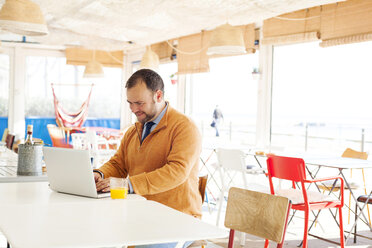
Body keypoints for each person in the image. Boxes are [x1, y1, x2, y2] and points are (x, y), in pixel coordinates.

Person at [93, 69, 202, 248]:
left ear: (158, 95)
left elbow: (177, 172)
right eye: (130, 103)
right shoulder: (134, 130)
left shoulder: (185, 127)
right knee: (98, 235)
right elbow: (118, 164)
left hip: (178, 219)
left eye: (139, 103)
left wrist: (129, 185)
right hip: (139, 211)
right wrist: (99, 173)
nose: (134, 109)